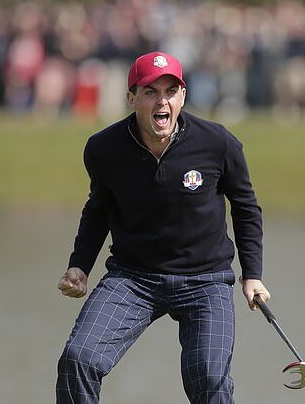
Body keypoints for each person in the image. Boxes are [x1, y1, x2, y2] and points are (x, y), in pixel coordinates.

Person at [56, 51, 270, 404]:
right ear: (131, 99)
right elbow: (98, 210)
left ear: (182, 97)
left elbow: (246, 208)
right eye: (151, 92)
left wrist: (253, 274)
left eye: (171, 91)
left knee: (209, 377)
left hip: (206, 280)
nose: (162, 101)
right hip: (133, 277)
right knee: (78, 359)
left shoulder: (218, 143)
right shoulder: (103, 148)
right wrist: (79, 265)